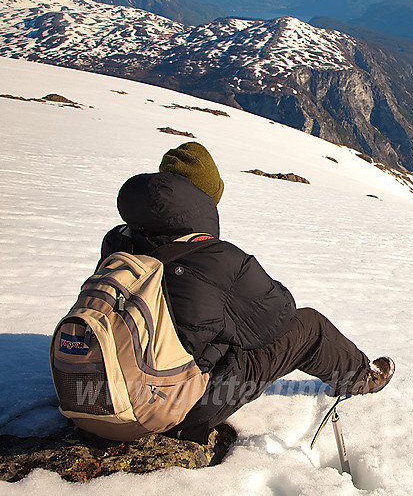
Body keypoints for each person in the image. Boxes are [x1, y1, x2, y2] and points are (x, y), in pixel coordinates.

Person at [99, 141, 394, 442]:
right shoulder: (217, 258)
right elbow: (279, 315)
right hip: (174, 411)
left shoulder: (117, 243)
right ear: (204, 200)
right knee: (308, 327)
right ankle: (361, 379)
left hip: (100, 394)